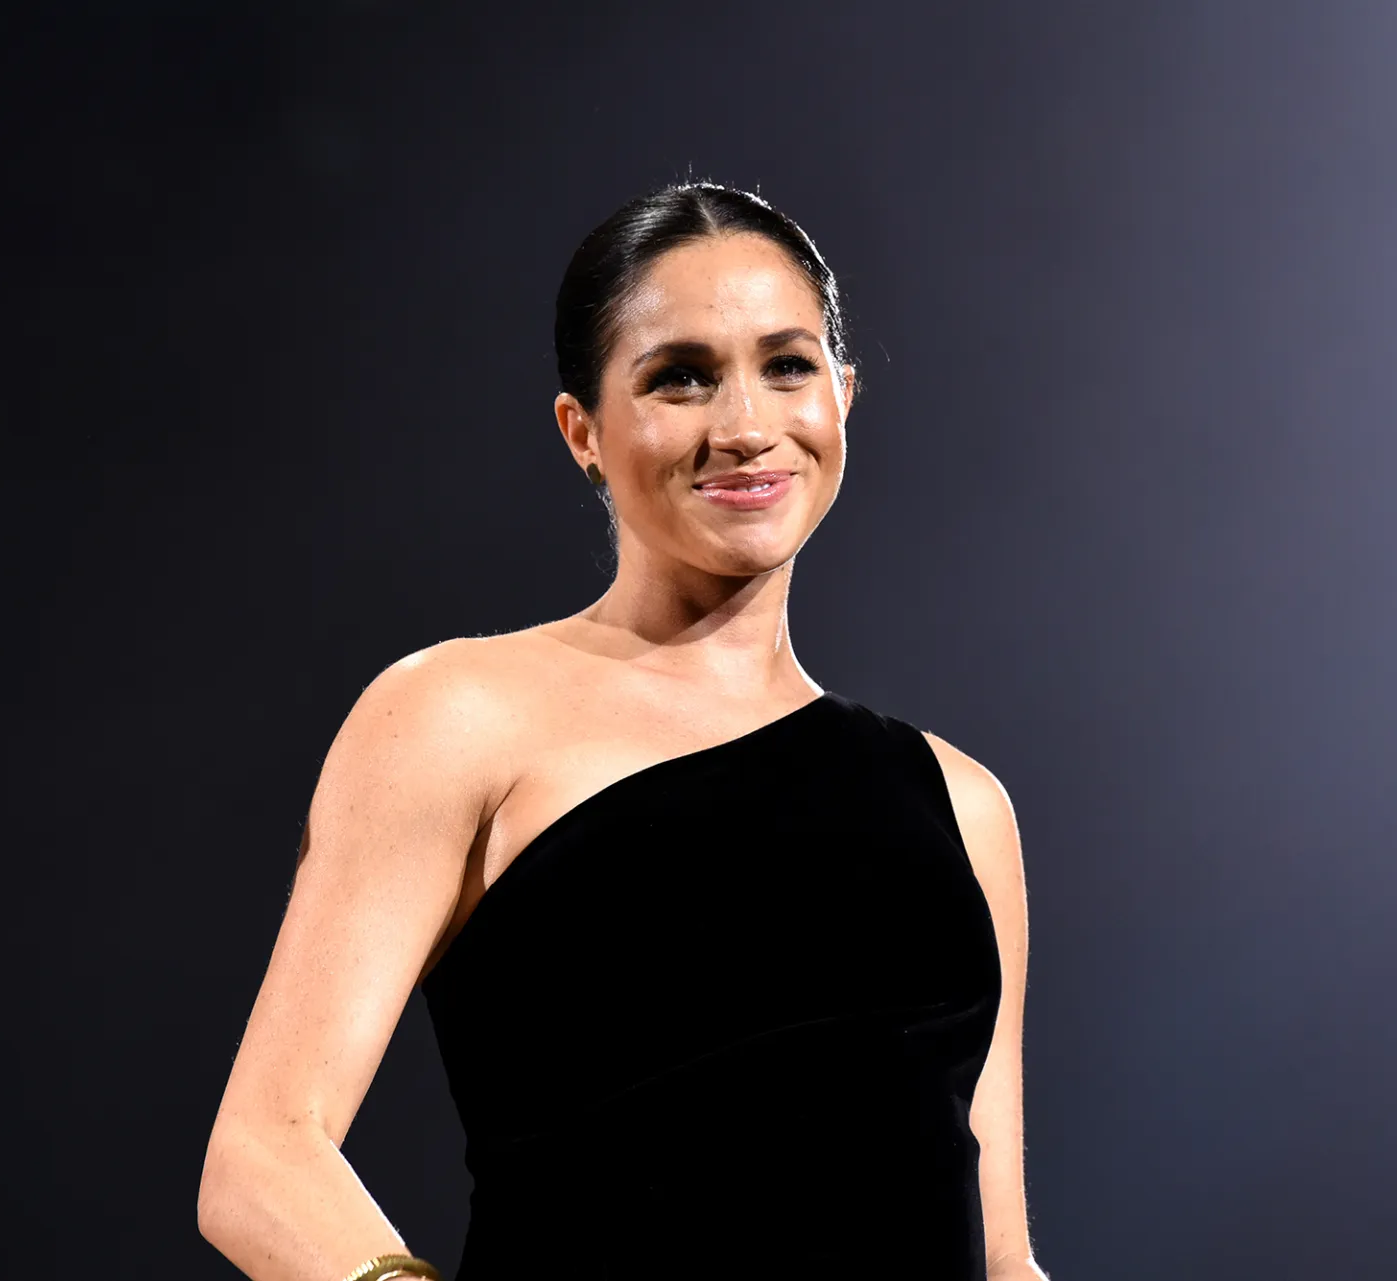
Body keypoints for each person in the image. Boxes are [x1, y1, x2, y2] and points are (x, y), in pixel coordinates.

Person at [197, 182, 1047, 1281]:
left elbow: (1001, 1254)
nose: (744, 427)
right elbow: (264, 1154)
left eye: (787, 366)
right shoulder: (456, 715)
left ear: (841, 394)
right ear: (582, 432)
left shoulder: (960, 805)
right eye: (679, 377)